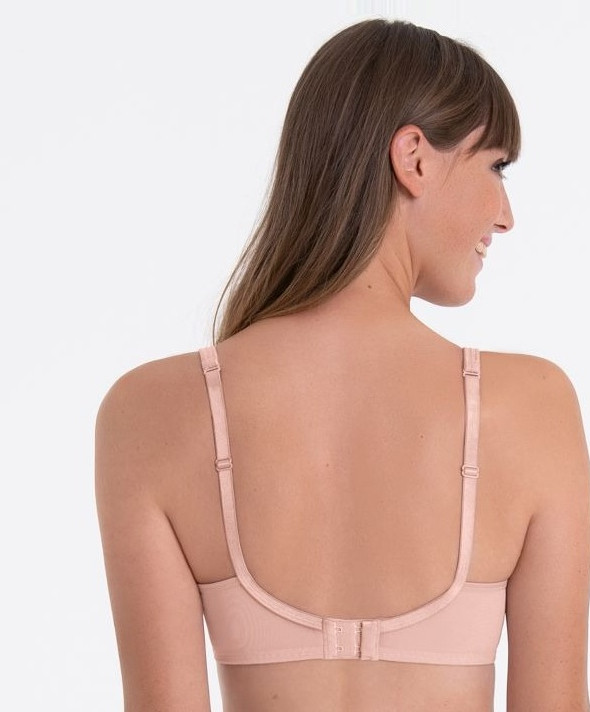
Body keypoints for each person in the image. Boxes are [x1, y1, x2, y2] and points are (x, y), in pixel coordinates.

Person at [94, 18, 590, 712]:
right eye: (496, 166)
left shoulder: (150, 411)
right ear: (414, 158)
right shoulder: (531, 406)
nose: (506, 215)